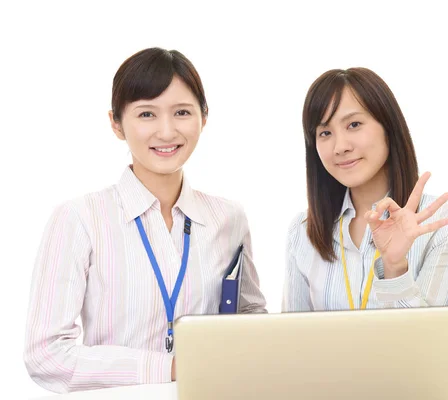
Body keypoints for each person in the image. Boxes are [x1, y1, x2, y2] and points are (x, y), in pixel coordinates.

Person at [23, 47, 267, 394]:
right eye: (147, 114)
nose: (167, 132)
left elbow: (250, 318)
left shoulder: (229, 218)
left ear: (204, 118)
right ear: (116, 124)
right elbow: (45, 356)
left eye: (182, 112)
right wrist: (169, 367)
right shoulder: (79, 218)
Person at [282, 67, 448, 312]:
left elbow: (424, 342)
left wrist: (394, 267)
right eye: (325, 132)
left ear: (388, 127)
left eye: (353, 124)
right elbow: (292, 339)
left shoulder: (444, 224)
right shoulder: (303, 230)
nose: (340, 146)